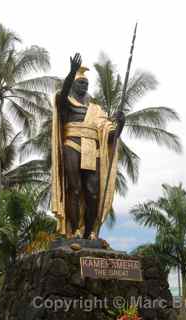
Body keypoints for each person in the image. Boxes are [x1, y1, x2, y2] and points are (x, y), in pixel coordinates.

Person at [52, 53, 125, 239]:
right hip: (72, 144)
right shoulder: (66, 102)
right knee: (75, 188)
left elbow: (110, 136)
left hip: (92, 148)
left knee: (92, 192)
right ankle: (75, 229)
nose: (84, 85)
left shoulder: (97, 110)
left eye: (86, 83)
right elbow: (61, 98)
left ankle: (89, 232)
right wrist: (70, 73)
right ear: (73, 85)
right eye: (80, 82)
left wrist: (121, 123)